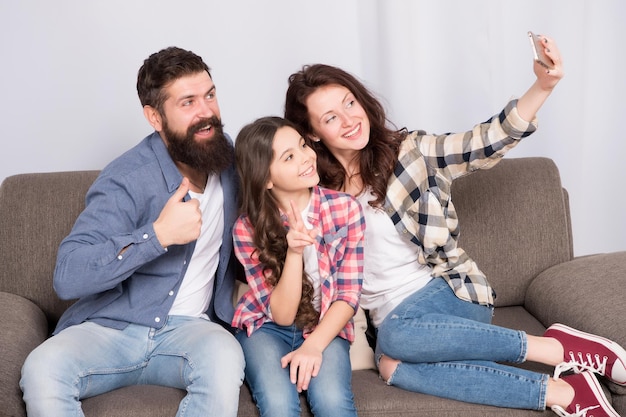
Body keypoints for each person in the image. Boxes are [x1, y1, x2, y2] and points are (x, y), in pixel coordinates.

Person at [284, 35, 626, 417]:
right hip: (392, 325)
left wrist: (543, 85)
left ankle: (554, 350)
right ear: (312, 134)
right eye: (330, 117)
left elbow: (487, 141)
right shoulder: (317, 194)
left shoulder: (412, 152)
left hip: (449, 293)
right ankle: (564, 392)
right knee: (391, 365)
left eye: (349, 102)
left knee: (397, 338)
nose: (349, 120)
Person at [20, 46, 245, 417]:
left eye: (210, 95)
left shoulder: (232, 162)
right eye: (187, 102)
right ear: (154, 117)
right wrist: (157, 236)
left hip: (191, 334)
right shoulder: (125, 178)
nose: (207, 112)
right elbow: (68, 274)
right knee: (42, 370)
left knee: (224, 358)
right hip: (113, 330)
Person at [231, 116, 365, 417]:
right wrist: (294, 252)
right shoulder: (246, 229)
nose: (306, 157)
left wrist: (313, 346)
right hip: (267, 328)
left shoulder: (346, 209)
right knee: (278, 405)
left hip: (325, 324)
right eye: (289, 157)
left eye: (303, 146)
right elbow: (281, 314)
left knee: (333, 402)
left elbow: (348, 296)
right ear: (266, 178)